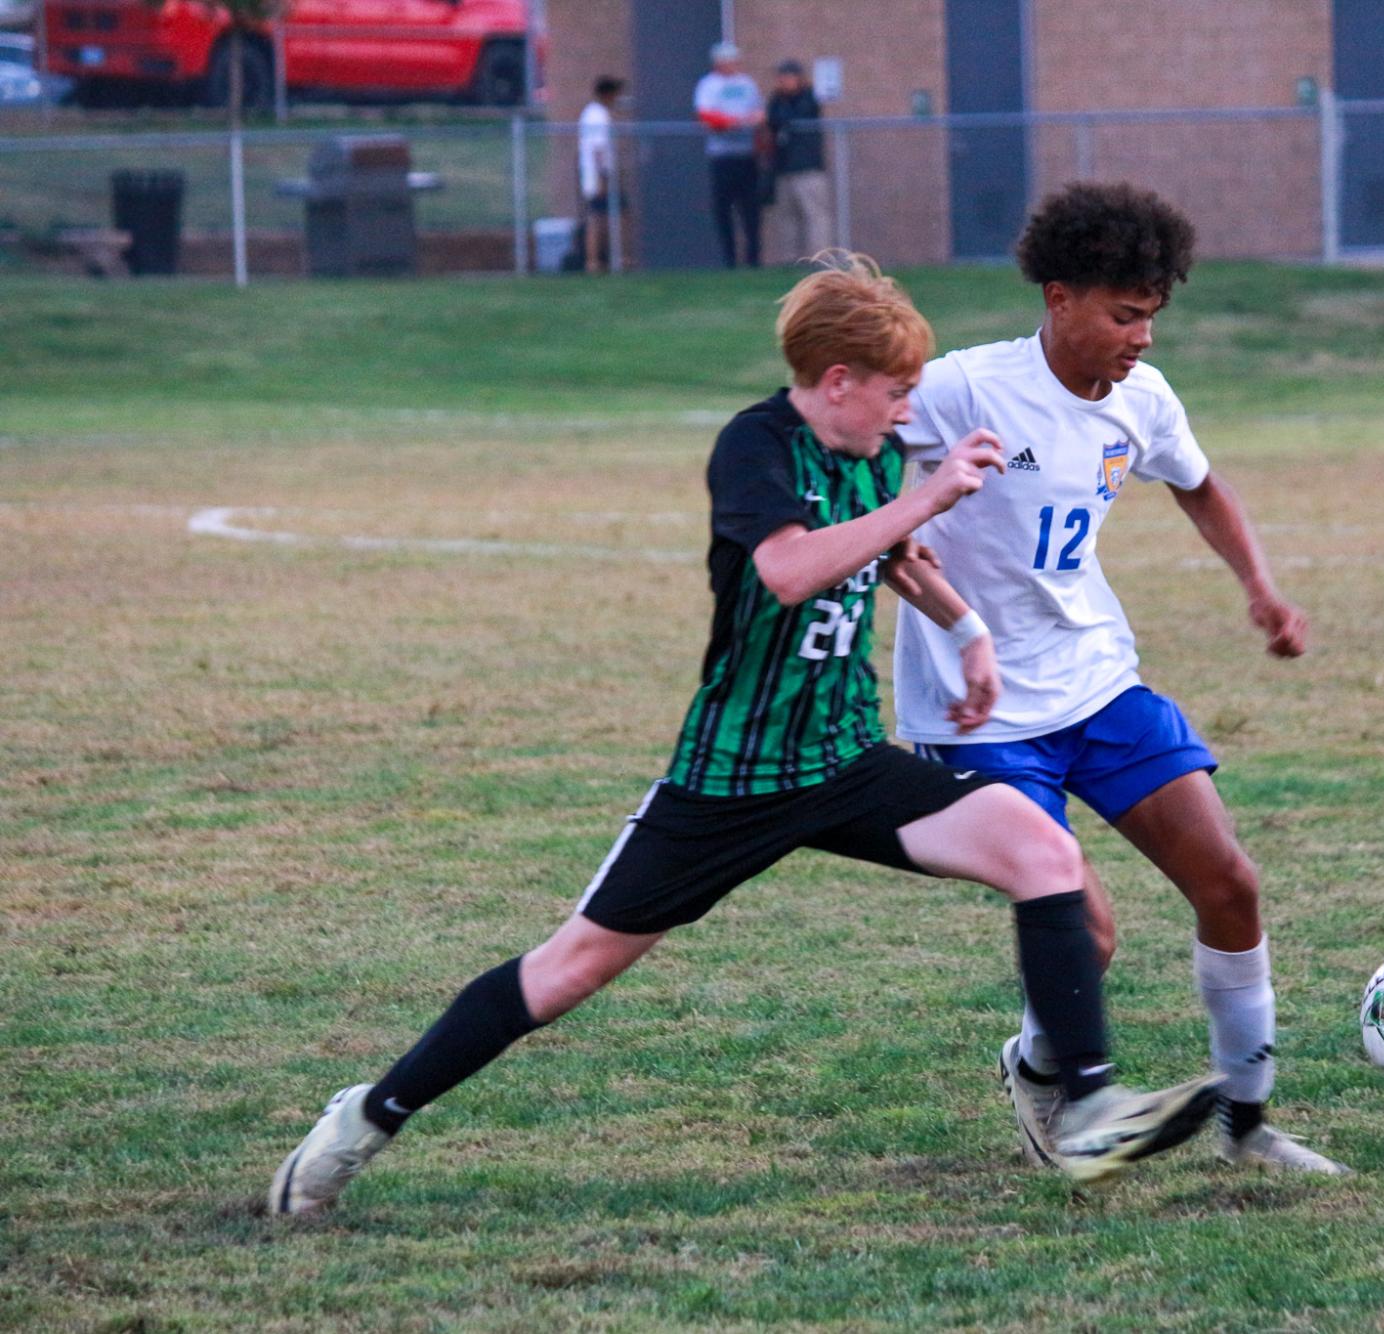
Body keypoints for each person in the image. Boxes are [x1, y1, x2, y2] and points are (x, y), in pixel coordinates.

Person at [267, 254, 1224, 1219]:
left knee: (1040, 849)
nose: (908, 413)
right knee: (570, 968)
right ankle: (368, 1116)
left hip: (844, 758)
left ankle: (1089, 1105)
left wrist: (965, 628)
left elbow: (893, 553)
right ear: (836, 381)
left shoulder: (877, 453)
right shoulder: (754, 444)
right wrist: (925, 499)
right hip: (733, 778)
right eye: (894, 393)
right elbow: (790, 570)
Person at [892, 183, 1347, 1177]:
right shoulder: (967, 389)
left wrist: (1260, 588)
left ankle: (1249, 1122)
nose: (1141, 335)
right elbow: (869, 473)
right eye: (1122, 313)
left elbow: (1199, 483)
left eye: (1152, 314)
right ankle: (1040, 1063)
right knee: (1085, 928)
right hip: (981, 711)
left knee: (1229, 882)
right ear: (1058, 298)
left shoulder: (1143, 399)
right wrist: (926, 566)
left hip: (1098, 681)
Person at [694, 41, 764, 269]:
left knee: (751, 209)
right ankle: (729, 261)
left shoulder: (747, 84)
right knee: (723, 210)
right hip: (722, 157)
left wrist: (754, 121)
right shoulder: (708, 85)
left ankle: (753, 259)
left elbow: (759, 112)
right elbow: (706, 116)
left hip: (746, 156)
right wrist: (734, 123)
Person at [764, 59, 834, 263]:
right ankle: (790, 260)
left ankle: (821, 260)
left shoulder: (808, 98)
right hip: (784, 169)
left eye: (786, 77)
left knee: (816, 216)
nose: (782, 82)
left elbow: (790, 118)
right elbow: (772, 119)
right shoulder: (777, 99)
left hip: (808, 169)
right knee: (787, 218)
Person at [577, 76, 622, 275]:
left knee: (606, 216)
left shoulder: (593, 113)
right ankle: (593, 261)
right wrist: (603, 177)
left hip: (595, 174)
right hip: (596, 176)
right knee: (596, 217)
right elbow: (598, 149)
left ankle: (606, 258)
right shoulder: (597, 115)